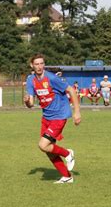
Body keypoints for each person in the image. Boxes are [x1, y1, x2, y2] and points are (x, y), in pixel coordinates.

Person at [24, 54, 81, 184]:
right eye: (36, 64)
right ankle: (67, 177)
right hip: (46, 117)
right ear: (32, 65)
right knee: (48, 150)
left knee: (42, 145)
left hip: (60, 115)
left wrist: (76, 112)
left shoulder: (51, 78)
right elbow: (31, 104)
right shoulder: (31, 80)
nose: (39, 66)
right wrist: (27, 101)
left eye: (41, 63)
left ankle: (68, 153)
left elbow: (71, 90)